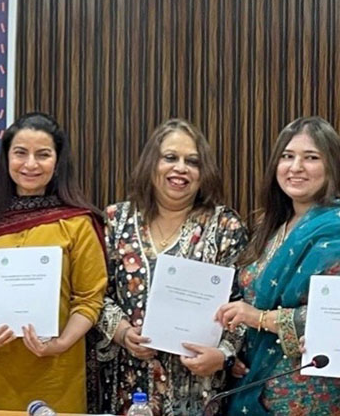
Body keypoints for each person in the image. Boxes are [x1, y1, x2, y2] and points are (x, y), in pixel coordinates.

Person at [216, 116, 340, 415]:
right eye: (287, 156)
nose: (296, 167)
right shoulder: (271, 226)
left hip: (318, 394)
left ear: (333, 165)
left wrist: (259, 319)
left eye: (311, 158)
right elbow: (248, 298)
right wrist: (234, 351)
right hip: (257, 384)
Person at [89, 119, 249, 414]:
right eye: (170, 158)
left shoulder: (224, 226)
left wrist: (223, 354)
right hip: (128, 384)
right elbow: (95, 293)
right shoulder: (116, 220)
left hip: (198, 390)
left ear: (203, 173)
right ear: (152, 164)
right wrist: (122, 332)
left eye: (192, 161)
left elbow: (243, 303)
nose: (181, 168)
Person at [0, 112, 106, 413]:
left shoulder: (78, 223)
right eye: (20, 153)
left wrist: (60, 343)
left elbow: (89, 299)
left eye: (42, 155)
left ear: (57, 162)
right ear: (6, 159)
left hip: (58, 367)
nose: (30, 164)